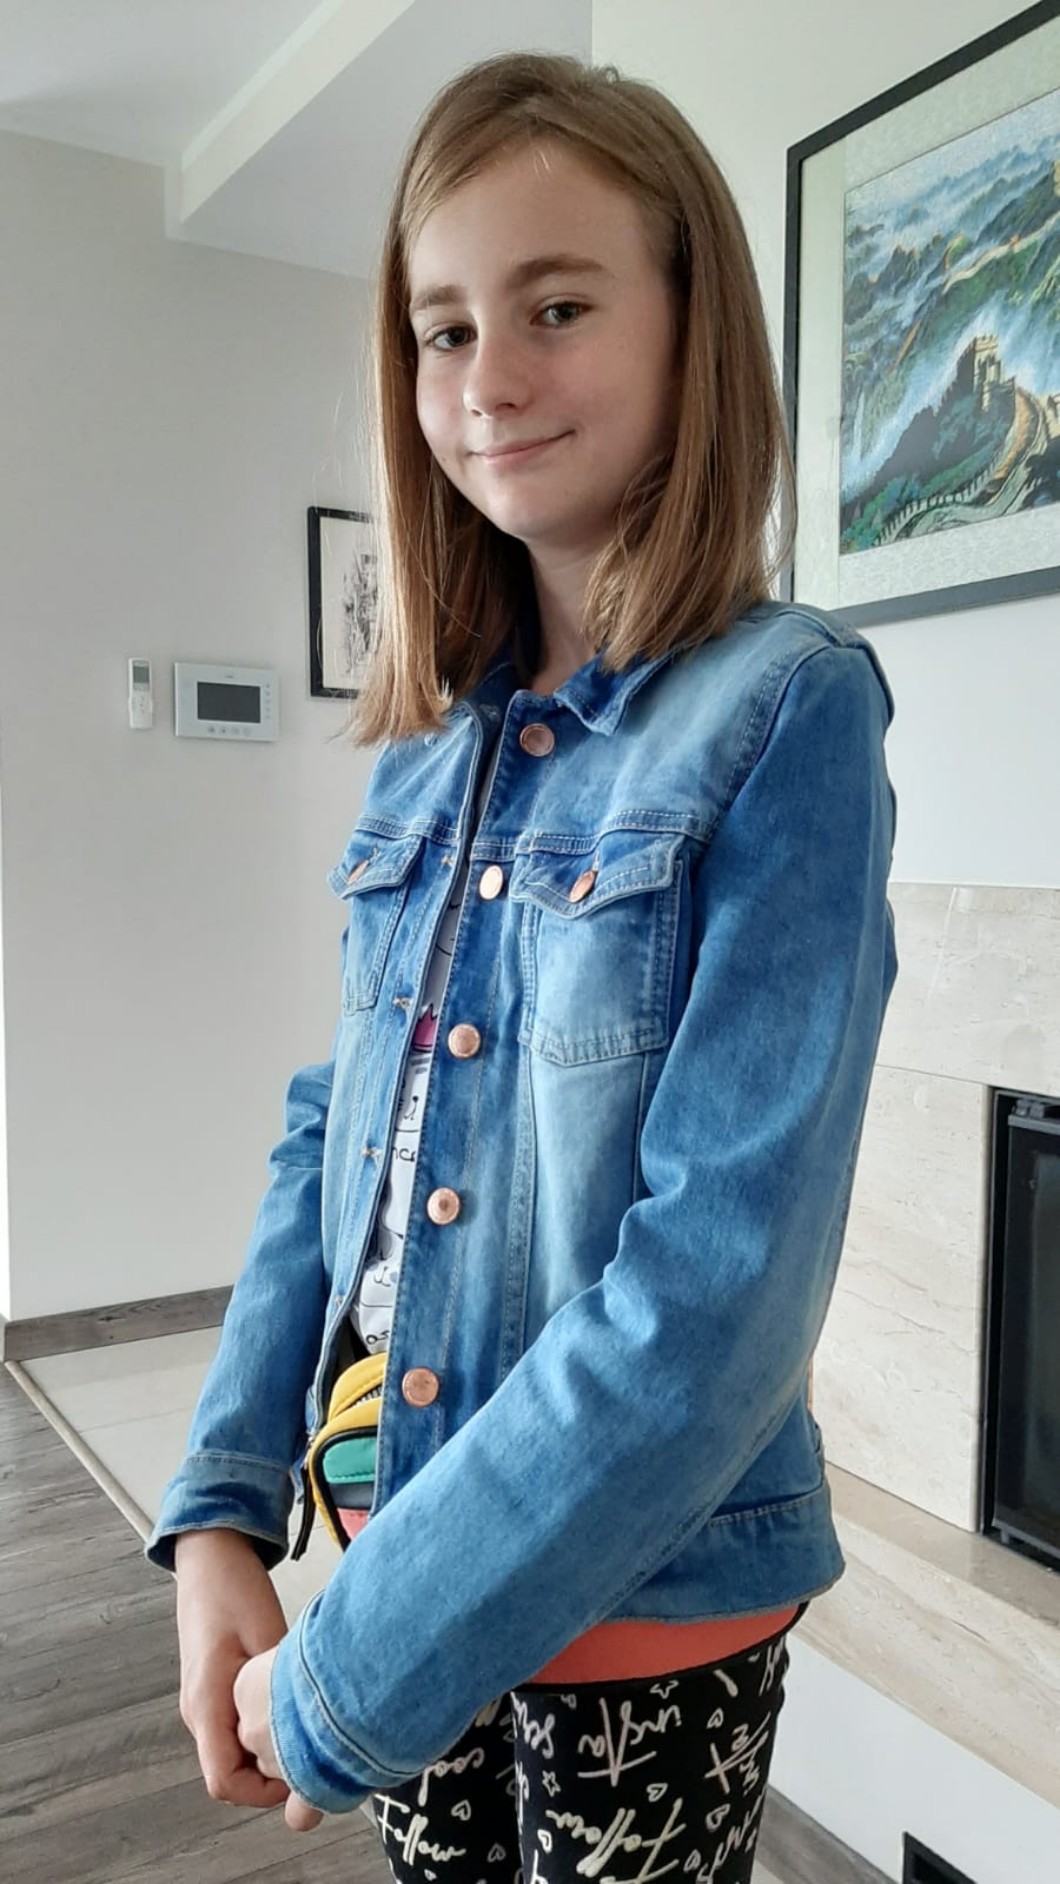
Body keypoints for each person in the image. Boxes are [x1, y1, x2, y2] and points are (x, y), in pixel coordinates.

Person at [147, 50, 898, 1884]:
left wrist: (353, 1675)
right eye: (444, 328)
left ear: (692, 326)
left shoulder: (787, 709)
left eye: (557, 307)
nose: (487, 380)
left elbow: (720, 1294)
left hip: (641, 1619)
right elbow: (333, 1134)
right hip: (381, 1546)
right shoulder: (429, 746)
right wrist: (223, 1507)